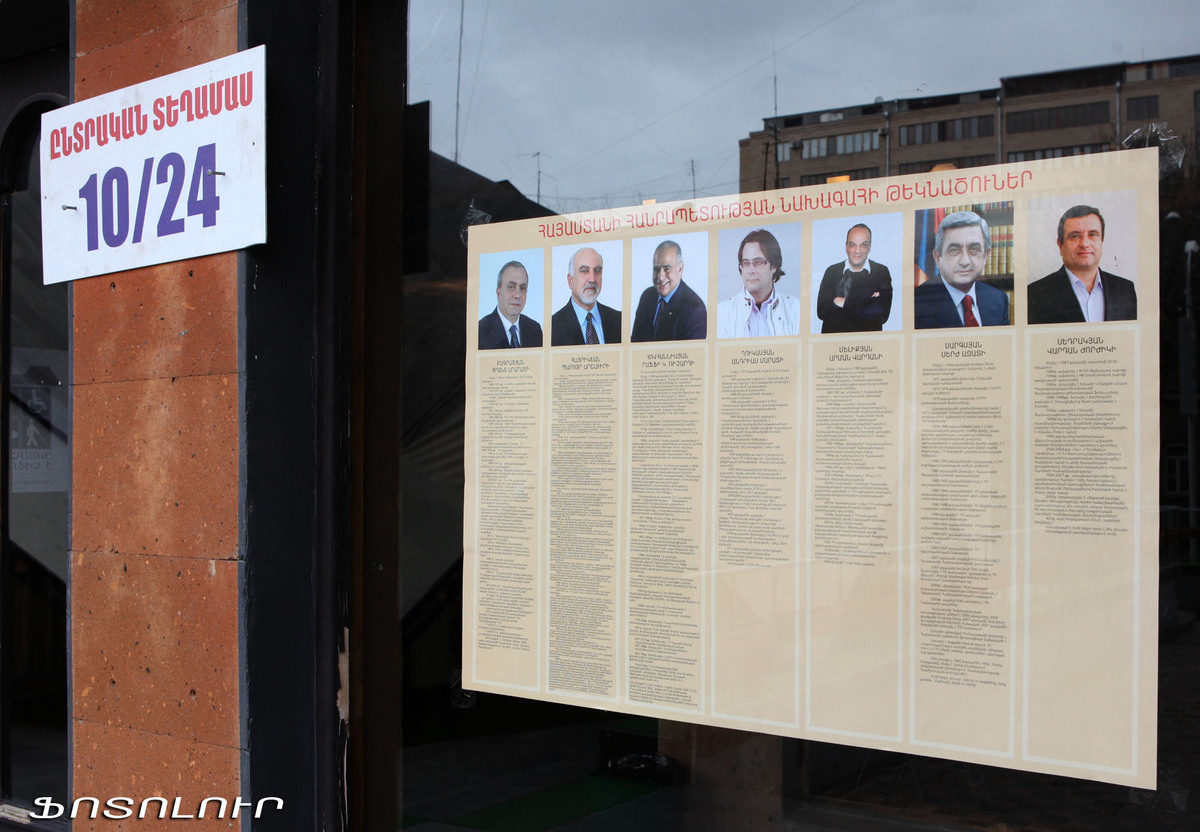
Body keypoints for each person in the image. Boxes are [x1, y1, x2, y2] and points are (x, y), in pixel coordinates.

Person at [1027, 205, 1137, 324]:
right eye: (1075, 236)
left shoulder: (1125, 290)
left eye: (1092, 234)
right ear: (1060, 245)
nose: (1084, 244)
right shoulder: (1035, 294)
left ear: (1102, 241)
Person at [914, 211, 1010, 329]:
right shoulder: (917, 302)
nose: (965, 261)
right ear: (938, 258)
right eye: (954, 250)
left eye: (974, 249)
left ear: (986, 256)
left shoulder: (998, 299)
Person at [716, 228, 800, 338]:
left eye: (758, 262)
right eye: (746, 263)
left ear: (774, 265)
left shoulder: (796, 310)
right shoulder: (722, 313)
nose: (751, 270)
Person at [816, 223, 893, 333]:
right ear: (846, 246)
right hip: (833, 346)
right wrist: (866, 303)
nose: (857, 251)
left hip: (869, 347)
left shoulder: (881, 272)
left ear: (870, 247)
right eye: (853, 245)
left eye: (863, 245)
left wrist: (843, 303)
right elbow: (822, 312)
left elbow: (882, 316)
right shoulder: (832, 272)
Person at [630, 240, 707, 341]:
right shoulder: (647, 296)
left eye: (667, 269)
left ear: (680, 269)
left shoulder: (695, 310)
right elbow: (635, 343)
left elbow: (692, 355)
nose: (660, 277)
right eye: (656, 269)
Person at [550, 246, 622, 345]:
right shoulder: (552, 328)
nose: (592, 279)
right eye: (584, 271)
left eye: (597, 271)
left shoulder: (619, 320)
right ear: (570, 281)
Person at [478, 261, 543, 349]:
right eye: (511, 287)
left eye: (522, 288)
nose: (517, 295)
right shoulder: (480, 331)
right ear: (498, 291)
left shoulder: (535, 329)